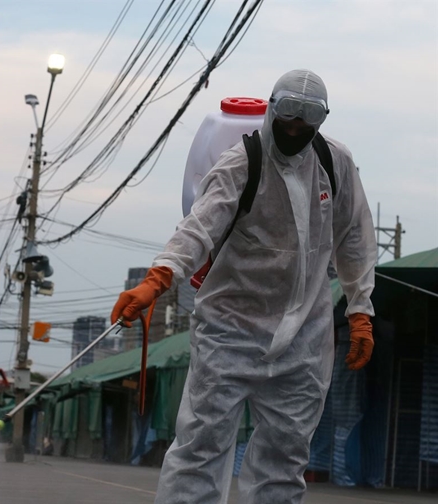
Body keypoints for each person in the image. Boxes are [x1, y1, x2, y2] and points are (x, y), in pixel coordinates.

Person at [111, 69, 376, 504]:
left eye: (305, 123)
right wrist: (158, 279)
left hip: (304, 342)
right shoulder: (241, 162)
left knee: (286, 460)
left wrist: (360, 311)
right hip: (230, 332)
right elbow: (199, 228)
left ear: (320, 123)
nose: (294, 130)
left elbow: (355, 239)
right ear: (271, 110)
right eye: (287, 119)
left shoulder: (335, 164)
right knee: (200, 448)